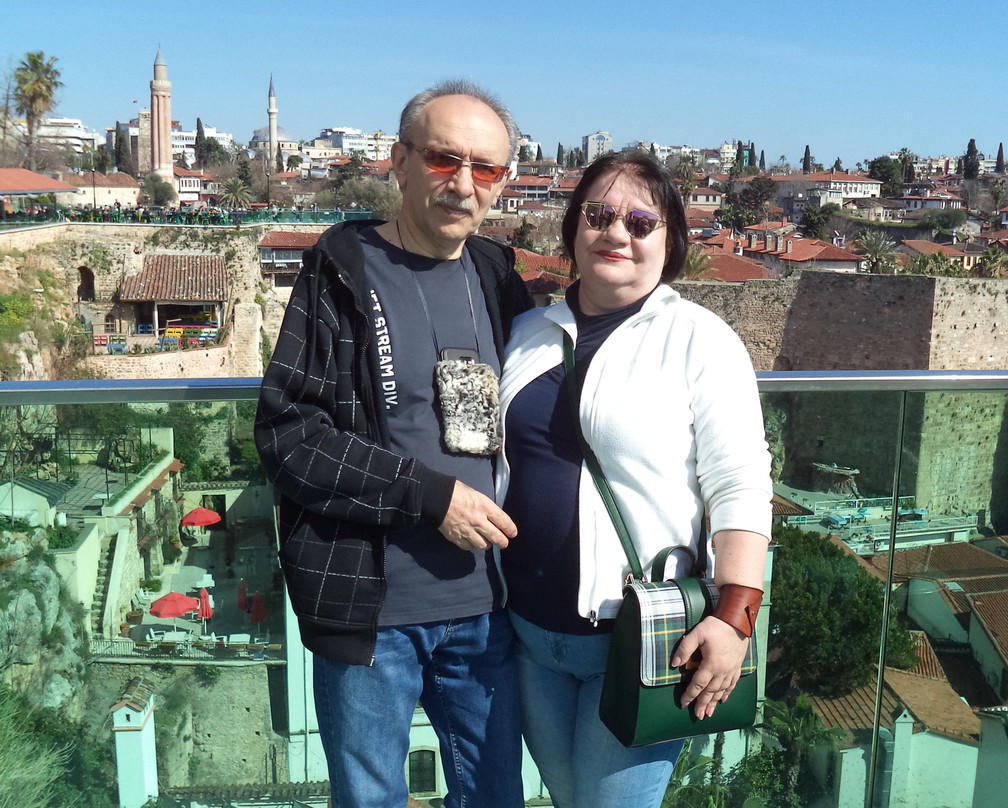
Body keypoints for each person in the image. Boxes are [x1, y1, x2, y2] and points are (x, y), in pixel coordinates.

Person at [254, 80, 533, 808]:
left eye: (486, 167)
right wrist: (429, 497)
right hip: (371, 616)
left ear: (503, 181)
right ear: (400, 163)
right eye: (444, 158)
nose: (463, 184)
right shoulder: (341, 270)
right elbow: (289, 435)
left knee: (494, 796)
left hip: (488, 608)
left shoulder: (497, 276)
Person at [496, 151, 774, 808]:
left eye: (641, 222)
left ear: (669, 242)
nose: (616, 232)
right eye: (598, 215)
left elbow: (739, 485)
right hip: (527, 635)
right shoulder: (527, 332)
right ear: (574, 228)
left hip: (641, 643)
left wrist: (736, 620)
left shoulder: (700, 341)